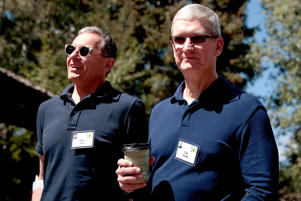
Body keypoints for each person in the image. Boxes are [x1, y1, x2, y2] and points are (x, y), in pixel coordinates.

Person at [116, 4, 279, 201]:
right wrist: (131, 185)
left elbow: (261, 192)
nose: (186, 47)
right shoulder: (160, 111)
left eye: (197, 38)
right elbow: (146, 189)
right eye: (179, 39)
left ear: (218, 46)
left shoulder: (247, 110)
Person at [31, 26, 148, 201]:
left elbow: (138, 183)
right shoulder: (47, 110)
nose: (73, 56)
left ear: (108, 64)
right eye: (70, 50)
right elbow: (42, 176)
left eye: (84, 51)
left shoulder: (128, 108)